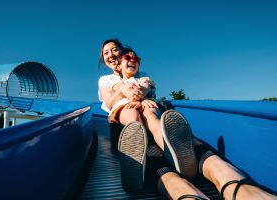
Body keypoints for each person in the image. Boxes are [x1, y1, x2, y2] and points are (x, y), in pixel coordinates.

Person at [98, 39, 277, 199]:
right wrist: (124, 91)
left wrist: (141, 98)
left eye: (116, 50)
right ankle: (138, 157)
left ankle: (174, 152)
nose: (113, 55)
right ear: (119, 65)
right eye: (106, 52)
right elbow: (110, 101)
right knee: (134, 121)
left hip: (149, 112)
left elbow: (146, 88)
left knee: (152, 115)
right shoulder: (107, 81)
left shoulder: (143, 76)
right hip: (125, 120)